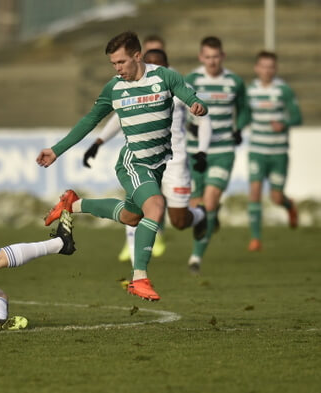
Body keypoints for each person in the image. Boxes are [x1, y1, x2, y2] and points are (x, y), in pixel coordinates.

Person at [36, 31, 208, 301]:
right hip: (133, 162)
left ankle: (72, 204)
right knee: (155, 207)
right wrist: (57, 150)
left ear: (137, 56)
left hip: (158, 163)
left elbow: (189, 95)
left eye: (121, 62)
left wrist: (198, 106)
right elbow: (89, 121)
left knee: (132, 217)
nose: (117, 69)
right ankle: (139, 278)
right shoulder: (114, 87)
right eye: (113, 64)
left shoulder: (164, 77)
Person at [82, 49, 212, 271]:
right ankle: (138, 270)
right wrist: (99, 141)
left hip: (175, 159)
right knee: (138, 208)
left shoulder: (175, 83)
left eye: (157, 64)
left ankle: (200, 216)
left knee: (179, 221)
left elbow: (203, 119)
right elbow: (117, 115)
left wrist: (202, 151)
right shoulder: (132, 85)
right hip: (142, 157)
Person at [185, 36, 250, 274]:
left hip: (223, 150)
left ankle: (195, 258)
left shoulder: (234, 82)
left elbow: (244, 110)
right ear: (201, 57)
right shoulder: (191, 80)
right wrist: (188, 126)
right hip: (195, 151)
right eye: (208, 57)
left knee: (209, 203)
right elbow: (177, 108)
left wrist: (239, 129)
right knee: (195, 206)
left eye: (216, 56)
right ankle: (211, 216)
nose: (212, 61)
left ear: (222, 56)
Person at [246, 50, 301, 251]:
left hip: (278, 152)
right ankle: (255, 239)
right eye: (263, 66)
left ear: (275, 69)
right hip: (257, 150)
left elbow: (297, 117)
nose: (267, 71)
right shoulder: (250, 90)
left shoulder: (283, 90)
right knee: (254, 192)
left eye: (271, 67)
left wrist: (284, 123)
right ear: (257, 68)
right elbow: (245, 115)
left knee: (276, 197)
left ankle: (289, 205)